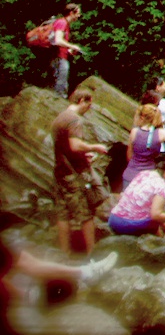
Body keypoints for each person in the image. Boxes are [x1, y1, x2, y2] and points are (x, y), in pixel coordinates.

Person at [50, 88, 108, 255]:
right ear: (82, 101)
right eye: (89, 105)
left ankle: (64, 252)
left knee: (63, 214)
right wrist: (93, 147)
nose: (88, 109)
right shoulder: (75, 120)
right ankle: (92, 253)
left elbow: (65, 147)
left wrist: (84, 153)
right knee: (85, 214)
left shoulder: (59, 118)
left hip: (60, 171)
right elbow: (74, 145)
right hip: (73, 175)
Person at [108, 154, 165, 236]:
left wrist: (164, 225)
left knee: (151, 211)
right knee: (155, 219)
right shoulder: (163, 188)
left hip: (113, 219)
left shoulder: (145, 173)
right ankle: (160, 242)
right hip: (127, 224)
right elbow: (156, 215)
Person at [122, 104, 165, 189]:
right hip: (147, 178)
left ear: (142, 117)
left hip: (130, 174)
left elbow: (129, 156)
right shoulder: (161, 133)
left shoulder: (134, 132)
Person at [50, 3, 83, 99]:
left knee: (61, 83)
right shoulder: (62, 23)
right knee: (61, 85)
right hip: (58, 58)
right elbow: (58, 40)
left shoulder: (65, 24)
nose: (79, 16)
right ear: (71, 13)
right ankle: (57, 103)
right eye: (78, 13)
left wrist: (69, 50)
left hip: (61, 56)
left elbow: (60, 43)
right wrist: (72, 45)